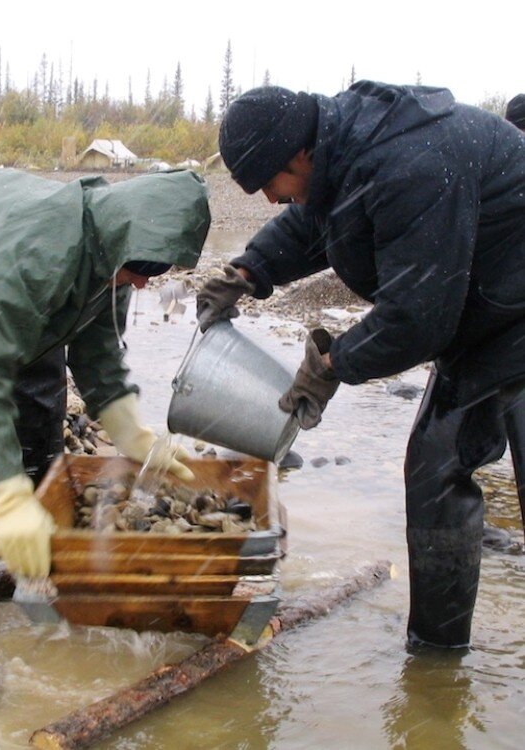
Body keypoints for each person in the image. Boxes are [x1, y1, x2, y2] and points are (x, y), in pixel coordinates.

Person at [197, 81, 525, 648]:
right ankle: (438, 666)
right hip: (490, 312)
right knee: (436, 469)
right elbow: (316, 221)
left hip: (510, 311)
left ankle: (439, 665)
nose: (270, 200)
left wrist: (332, 364)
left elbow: (418, 317)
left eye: (270, 183)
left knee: (445, 465)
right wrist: (250, 271)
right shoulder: (343, 152)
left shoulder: (409, 164)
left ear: (298, 152)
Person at [0, 165, 210, 578]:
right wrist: (4, 499)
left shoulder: (110, 254)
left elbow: (98, 349)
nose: (143, 283)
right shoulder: (39, 253)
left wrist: (131, 433)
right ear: (124, 241)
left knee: (24, 366)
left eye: (160, 271)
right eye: (142, 267)